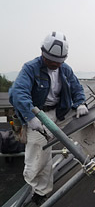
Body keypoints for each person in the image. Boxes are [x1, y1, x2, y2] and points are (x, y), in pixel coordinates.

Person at [9, 31, 89, 205]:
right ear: (42, 53)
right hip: (39, 114)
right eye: (50, 60)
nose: (54, 64)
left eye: (58, 62)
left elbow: (77, 89)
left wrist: (81, 103)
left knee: (87, 123)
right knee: (39, 152)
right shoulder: (31, 68)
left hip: (60, 112)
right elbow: (18, 92)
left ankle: (91, 156)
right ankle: (40, 191)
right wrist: (30, 116)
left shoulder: (65, 69)